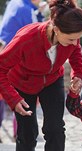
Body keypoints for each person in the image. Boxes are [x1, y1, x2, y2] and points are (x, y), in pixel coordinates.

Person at [0, 0, 82, 151]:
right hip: (23, 83)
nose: (75, 42)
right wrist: (13, 99)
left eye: (77, 38)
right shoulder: (26, 38)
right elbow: (1, 68)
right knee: (27, 132)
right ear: (55, 28)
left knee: (56, 129)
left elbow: (76, 54)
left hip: (51, 81)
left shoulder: (71, 34)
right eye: (71, 39)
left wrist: (78, 75)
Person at [0, 0, 46, 140]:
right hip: (16, 57)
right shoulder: (27, 10)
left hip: (5, 50)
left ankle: (17, 133)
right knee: (22, 95)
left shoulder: (15, 2)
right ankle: (19, 134)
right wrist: (41, 15)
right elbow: (36, 32)